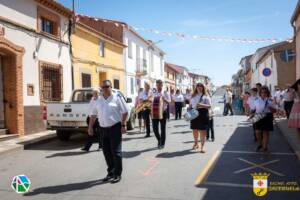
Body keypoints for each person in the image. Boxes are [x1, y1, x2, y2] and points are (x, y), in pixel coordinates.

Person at [89, 80, 129, 183]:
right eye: (103, 87)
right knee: (106, 152)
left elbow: (125, 111)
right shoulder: (98, 99)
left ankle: (117, 174)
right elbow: (93, 114)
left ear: (111, 87)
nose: (105, 89)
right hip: (102, 129)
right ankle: (111, 172)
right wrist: (90, 127)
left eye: (107, 86)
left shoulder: (117, 97)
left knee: (116, 152)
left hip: (115, 127)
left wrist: (123, 124)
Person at [253, 86, 277, 152]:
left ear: (267, 93)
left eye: (265, 92)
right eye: (262, 92)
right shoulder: (256, 100)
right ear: (260, 93)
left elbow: (275, 111)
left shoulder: (270, 100)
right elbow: (254, 109)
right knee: (257, 132)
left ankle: (264, 147)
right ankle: (260, 144)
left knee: (265, 132)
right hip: (258, 116)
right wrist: (251, 113)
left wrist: (270, 108)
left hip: (267, 116)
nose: (263, 94)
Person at [190, 83, 211, 153]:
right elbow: (190, 105)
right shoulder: (193, 95)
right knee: (194, 129)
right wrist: (188, 112)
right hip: (194, 113)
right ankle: (196, 143)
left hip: (203, 113)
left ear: (203, 87)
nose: (199, 87)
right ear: (196, 87)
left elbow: (209, 106)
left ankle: (202, 147)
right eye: (198, 86)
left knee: (203, 131)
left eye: (201, 86)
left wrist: (200, 104)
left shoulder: (206, 96)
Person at [152, 79, 171, 149]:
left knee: (163, 128)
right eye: (157, 85)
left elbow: (169, 101)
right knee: (154, 129)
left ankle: (162, 143)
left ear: (162, 85)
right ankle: (159, 139)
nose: (158, 86)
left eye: (160, 84)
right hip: (154, 112)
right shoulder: (154, 92)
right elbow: (152, 101)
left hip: (163, 112)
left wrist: (164, 99)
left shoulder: (165, 92)